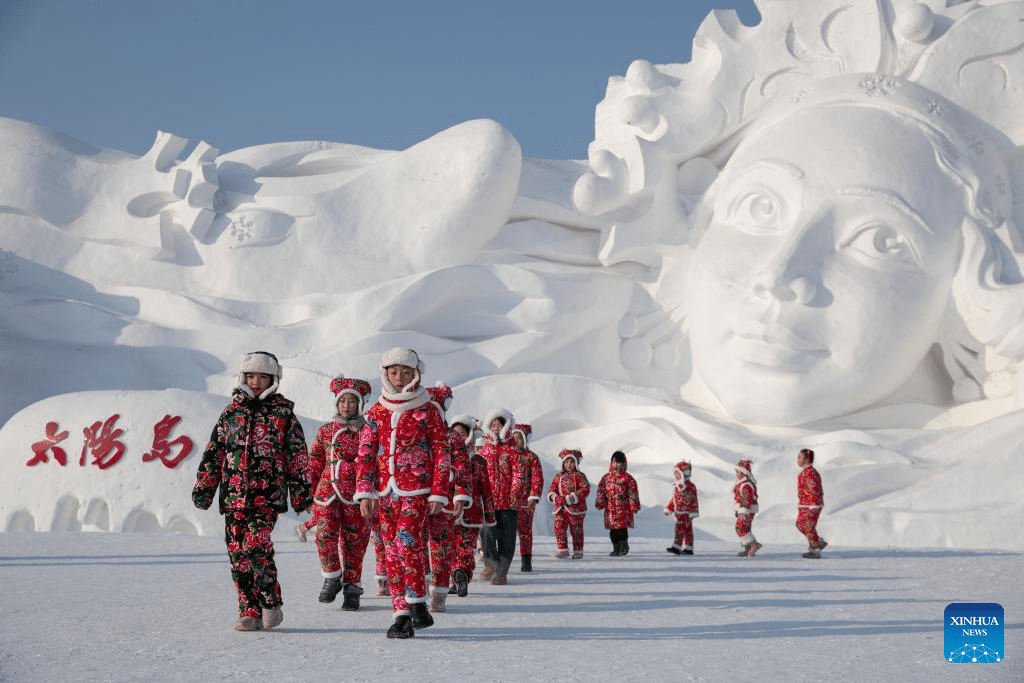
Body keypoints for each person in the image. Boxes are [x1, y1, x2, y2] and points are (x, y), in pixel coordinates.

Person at [191, 351, 311, 631]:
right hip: (233, 497)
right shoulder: (231, 413)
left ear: (274, 378)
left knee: (256, 546)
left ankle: (270, 599)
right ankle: (248, 609)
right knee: (237, 555)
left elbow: (297, 456)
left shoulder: (283, 414)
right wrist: (204, 489)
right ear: (243, 377)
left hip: (266, 497)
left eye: (263, 376)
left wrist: (301, 493)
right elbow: (214, 453)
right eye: (251, 376)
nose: (256, 381)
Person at [355, 347, 450, 639]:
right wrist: (365, 491)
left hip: (417, 491)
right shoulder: (376, 411)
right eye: (393, 372)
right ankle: (402, 615)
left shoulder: (428, 409)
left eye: (406, 372)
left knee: (406, 541)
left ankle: (418, 600)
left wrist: (438, 493)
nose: (399, 378)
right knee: (390, 551)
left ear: (416, 373)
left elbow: (442, 452)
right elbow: (366, 452)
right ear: (385, 374)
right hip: (385, 492)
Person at [307, 375, 373, 610]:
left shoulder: (369, 431)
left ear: (359, 405)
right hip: (328, 493)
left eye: (352, 401)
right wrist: (308, 492)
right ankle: (332, 576)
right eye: (343, 401)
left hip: (358, 496)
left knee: (354, 543)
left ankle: (352, 588)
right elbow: (314, 462)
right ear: (337, 403)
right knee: (324, 535)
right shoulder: (325, 431)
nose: (347, 405)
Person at [423, 383, 471, 613]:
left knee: (442, 548)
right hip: (416, 499)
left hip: (446, 499)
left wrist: (461, 494)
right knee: (414, 546)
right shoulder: (413, 434)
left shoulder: (453, 439)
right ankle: (417, 591)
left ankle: (439, 591)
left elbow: (462, 468)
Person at [449, 421, 496, 597]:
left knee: (466, 547)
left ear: (469, 435)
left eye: (462, 433)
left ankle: (461, 573)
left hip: (471, 512)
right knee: (451, 546)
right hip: (448, 511)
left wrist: (489, 514)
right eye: (455, 433)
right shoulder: (445, 458)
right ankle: (457, 576)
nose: (458, 437)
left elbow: (486, 489)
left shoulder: (478, 462)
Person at [479, 408, 519, 584]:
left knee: (507, 537)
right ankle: (490, 562)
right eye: (493, 424)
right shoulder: (484, 449)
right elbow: (477, 471)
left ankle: (501, 572)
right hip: (487, 500)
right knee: (486, 533)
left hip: (509, 501)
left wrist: (515, 492)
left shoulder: (513, 449)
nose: (495, 427)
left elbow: (519, 473)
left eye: (499, 424)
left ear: (506, 426)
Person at [594, 450, 641, 556]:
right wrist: (599, 502)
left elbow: (632, 492)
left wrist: (634, 505)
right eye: (615, 462)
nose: (617, 464)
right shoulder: (606, 478)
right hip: (610, 509)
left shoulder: (628, 478)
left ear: (624, 463)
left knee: (622, 530)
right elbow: (601, 491)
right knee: (613, 531)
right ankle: (616, 548)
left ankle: (624, 546)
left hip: (624, 510)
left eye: (620, 462)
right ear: (611, 462)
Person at [511, 423, 544, 572]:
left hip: (525, 503)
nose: (516, 440)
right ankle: (503, 561)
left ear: (526, 439)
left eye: (519, 437)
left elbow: (537, 478)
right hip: (508, 503)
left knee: (525, 532)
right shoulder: (507, 456)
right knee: (507, 533)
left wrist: (533, 497)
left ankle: (526, 560)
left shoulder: (532, 457)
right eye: (514, 437)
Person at [547, 448, 590, 559]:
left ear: (576, 463)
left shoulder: (580, 476)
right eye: (566, 462)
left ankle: (578, 551)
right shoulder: (558, 476)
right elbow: (552, 489)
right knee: (559, 527)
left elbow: (585, 489)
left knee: (576, 530)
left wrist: (571, 497)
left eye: (571, 462)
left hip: (575, 509)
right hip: (560, 508)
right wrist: (554, 497)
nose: (569, 465)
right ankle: (562, 549)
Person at [796, 448, 827, 559]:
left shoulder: (811, 473)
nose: (797, 459)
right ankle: (817, 543)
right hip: (805, 504)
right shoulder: (805, 472)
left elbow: (814, 489)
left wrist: (813, 505)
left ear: (807, 459)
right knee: (801, 524)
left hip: (812, 505)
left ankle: (816, 549)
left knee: (807, 526)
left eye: (800, 457)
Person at [664, 460, 699, 555]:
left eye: (677, 473)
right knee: (687, 530)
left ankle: (676, 546)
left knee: (679, 529)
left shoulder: (689, 487)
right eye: (674, 473)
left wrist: (682, 489)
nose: (675, 475)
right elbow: (674, 499)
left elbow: (691, 499)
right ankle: (689, 548)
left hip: (686, 513)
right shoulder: (678, 486)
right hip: (680, 512)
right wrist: (669, 508)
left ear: (683, 474)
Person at [734, 459, 760, 557]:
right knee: (745, 528)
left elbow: (746, 499)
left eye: (737, 471)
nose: (736, 474)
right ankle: (748, 548)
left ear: (743, 472)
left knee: (741, 528)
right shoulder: (742, 484)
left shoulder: (746, 485)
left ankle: (753, 545)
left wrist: (743, 511)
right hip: (744, 510)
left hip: (746, 511)